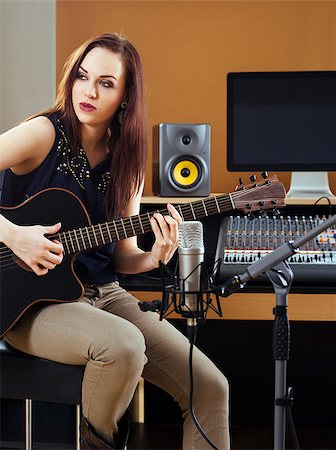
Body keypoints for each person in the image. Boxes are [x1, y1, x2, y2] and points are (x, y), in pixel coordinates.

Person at [0, 33, 230, 450]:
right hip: (27, 302)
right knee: (123, 346)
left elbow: (121, 256)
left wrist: (155, 255)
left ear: (126, 95)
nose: (88, 91)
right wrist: (15, 236)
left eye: (106, 82)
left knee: (210, 386)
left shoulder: (128, 160)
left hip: (103, 295)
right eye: (82, 77)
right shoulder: (42, 134)